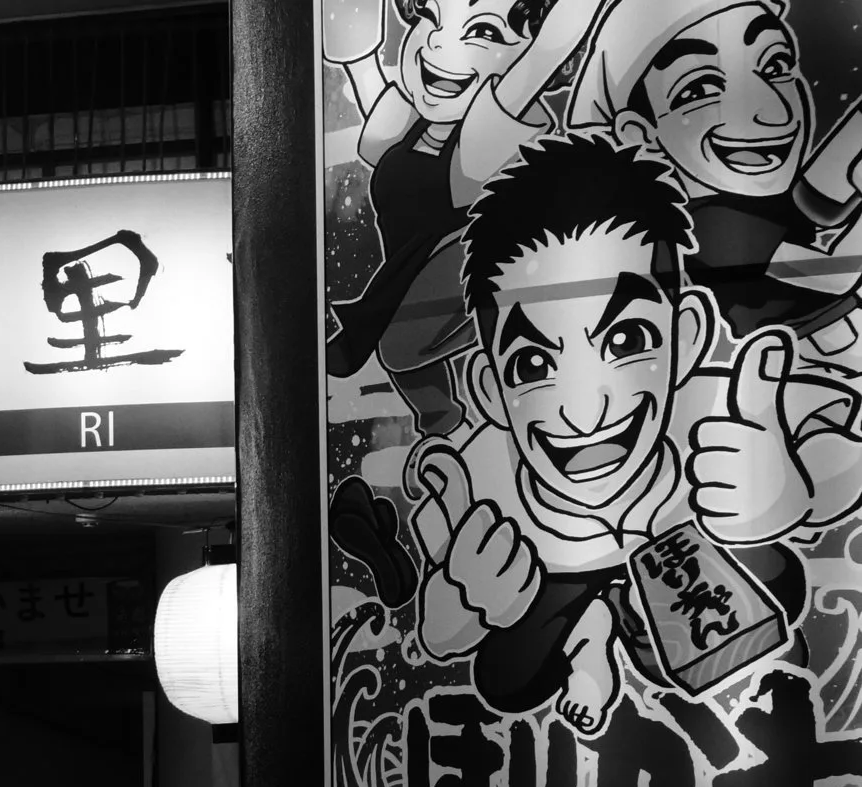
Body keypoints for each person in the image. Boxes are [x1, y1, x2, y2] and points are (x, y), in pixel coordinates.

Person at [408, 132, 857, 733]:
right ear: (490, 388)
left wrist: (793, 491)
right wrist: (464, 600)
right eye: (534, 366)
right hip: (562, 582)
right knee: (504, 673)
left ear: (688, 335)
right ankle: (589, 638)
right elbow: (437, 635)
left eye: (625, 341)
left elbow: (841, 444)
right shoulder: (477, 482)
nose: (585, 411)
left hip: (684, 569)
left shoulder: (732, 408)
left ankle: (603, 628)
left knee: (780, 578)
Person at [321, 0, 601, 434]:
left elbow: (545, 52)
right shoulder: (413, 120)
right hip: (405, 274)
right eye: (431, 18)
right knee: (400, 348)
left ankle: (466, 417)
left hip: (473, 267)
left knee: (400, 344)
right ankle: (447, 424)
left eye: (485, 33)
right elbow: (369, 100)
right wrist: (355, 52)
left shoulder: (495, 123)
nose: (437, 41)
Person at [572, 0, 862, 361]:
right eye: (699, 89)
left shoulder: (762, 191)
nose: (775, 113)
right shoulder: (706, 223)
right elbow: (828, 275)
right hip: (791, 358)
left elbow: (822, 209)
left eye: (776, 65)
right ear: (640, 134)